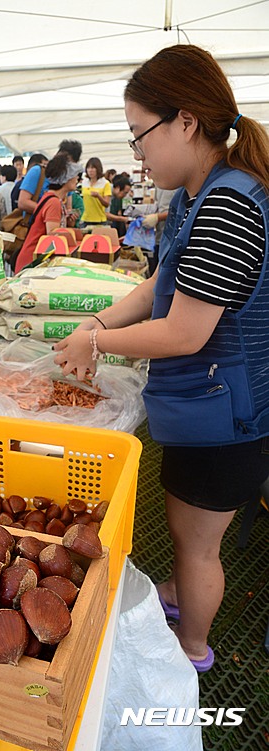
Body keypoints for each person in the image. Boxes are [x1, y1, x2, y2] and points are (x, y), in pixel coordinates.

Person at [54, 44, 269, 673]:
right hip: (200, 404)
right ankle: (180, 592)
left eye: (138, 135)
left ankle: (193, 648)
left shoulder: (230, 205)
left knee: (200, 545)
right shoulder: (195, 195)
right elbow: (157, 287)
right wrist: (97, 320)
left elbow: (183, 332)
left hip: (228, 415)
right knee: (185, 527)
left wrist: (96, 342)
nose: (138, 154)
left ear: (185, 122)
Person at [14, 152, 81, 273]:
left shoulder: (51, 198)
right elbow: (54, 239)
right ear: (64, 178)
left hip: (33, 261)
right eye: (74, 175)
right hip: (33, 264)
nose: (77, 178)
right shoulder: (54, 202)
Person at [18, 139, 81, 215]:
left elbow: (68, 207)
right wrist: (51, 210)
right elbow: (22, 202)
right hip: (33, 223)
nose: (69, 169)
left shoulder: (68, 180)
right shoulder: (38, 171)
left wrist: (69, 215)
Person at [80, 157, 112, 225]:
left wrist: (98, 196)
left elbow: (107, 204)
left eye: (93, 168)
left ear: (98, 169)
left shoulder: (105, 183)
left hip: (100, 220)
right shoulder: (84, 182)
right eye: (88, 168)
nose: (90, 170)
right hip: (85, 219)